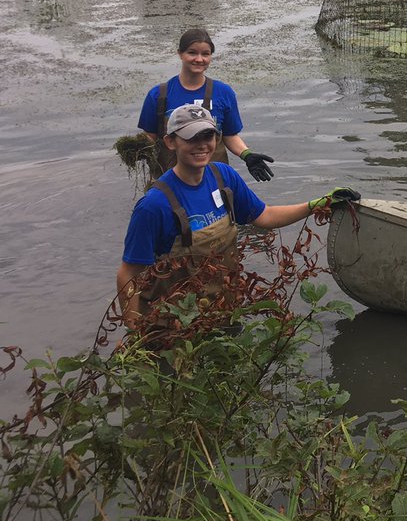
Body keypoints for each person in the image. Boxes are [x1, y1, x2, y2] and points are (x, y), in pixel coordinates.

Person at [115, 103, 358, 334]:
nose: (201, 145)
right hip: (173, 325)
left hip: (223, 309)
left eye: (207, 136)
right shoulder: (154, 205)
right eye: (191, 138)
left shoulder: (224, 176)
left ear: (216, 139)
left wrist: (318, 204)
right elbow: (128, 273)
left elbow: (264, 215)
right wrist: (135, 332)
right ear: (170, 142)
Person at [137, 27, 275, 182]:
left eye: (205, 54)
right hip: (168, 183)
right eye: (192, 52)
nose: (199, 59)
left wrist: (247, 155)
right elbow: (149, 137)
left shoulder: (223, 93)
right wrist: (135, 150)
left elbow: (229, 135)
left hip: (214, 182)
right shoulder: (158, 95)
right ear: (180, 54)